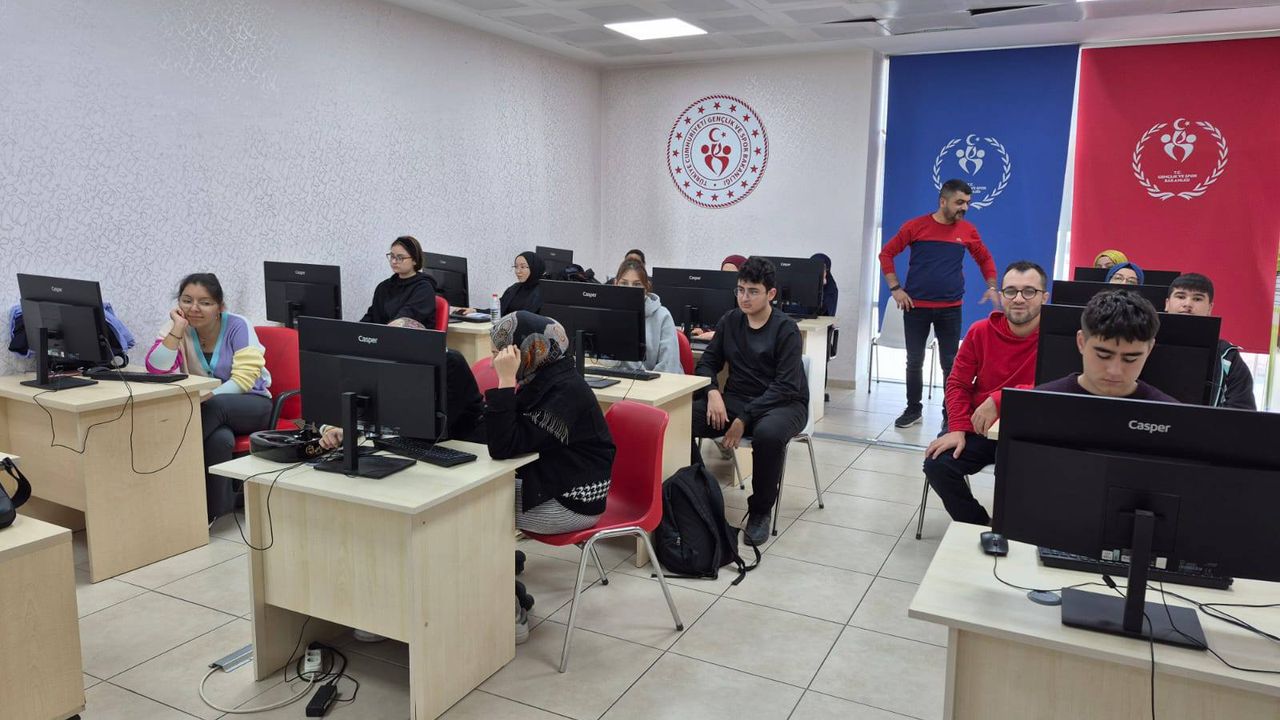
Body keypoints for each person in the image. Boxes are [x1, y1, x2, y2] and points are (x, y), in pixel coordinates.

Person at [486, 311, 616, 641]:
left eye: (500, 353)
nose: (494, 361)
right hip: (553, 481)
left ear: (528, 352)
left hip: (572, 501)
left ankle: (507, 608)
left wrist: (505, 382)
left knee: (472, 511)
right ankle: (491, 586)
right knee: (470, 502)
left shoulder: (565, 391)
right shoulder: (544, 377)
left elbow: (505, 446)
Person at [690, 257, 808, 546]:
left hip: (785, 404)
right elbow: (707, 363)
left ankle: (760, 512)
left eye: (753, 291)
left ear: (771, 294)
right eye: (740, 290)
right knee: (681, 419)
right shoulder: (730, 321)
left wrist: (744, 418)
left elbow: (785, 386)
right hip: (737, 399)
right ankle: (697, 493)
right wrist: (712, 392)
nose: (744, 297)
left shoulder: (786, 329)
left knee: (768, 435)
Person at [922, 261, 1047, 526]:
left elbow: (1054, 386)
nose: (1019, 299)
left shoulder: (1056, 338)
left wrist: (1001, 399)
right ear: (1001, 296)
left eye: (1029, 291)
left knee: (1015, 471)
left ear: (1044, 298)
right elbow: (957, 383)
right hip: (979, 427)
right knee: (937, 465)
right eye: (1011, 291)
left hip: (1025, 430)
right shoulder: (980, 331)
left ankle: (1012, 528)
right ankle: (981, 526)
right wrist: (956, 428)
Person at [145, 273, 272, 522]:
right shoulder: (177, 327)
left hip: (253, 405)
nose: (194, 308)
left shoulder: (238, 325)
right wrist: (177, 329)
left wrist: (205, 397)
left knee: (215, 406)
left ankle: (164, 463)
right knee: (220, 440)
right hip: (208, 411)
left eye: (205, 302)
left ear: (219, 307)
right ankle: (211, 513)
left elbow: (243, 381)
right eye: (187, 300)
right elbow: (157, 368)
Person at [879, 179, 999, 429]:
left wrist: (991, 286)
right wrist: (895, 289)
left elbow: (985, 258)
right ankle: (913, 409)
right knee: (914, 360)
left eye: (967, 203)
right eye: (959, 202)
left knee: (950, 364)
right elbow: (886, 254)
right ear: (943, 201)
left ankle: (950, 414)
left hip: (950, 309)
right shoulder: (915, 226)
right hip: (916, 308)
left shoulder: (968, 230)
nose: (964, 208)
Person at [1035, 289, 1175, 402]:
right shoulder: (1037, 403)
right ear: (1081, 342)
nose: (1114, 371)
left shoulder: (1172, 415)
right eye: (1103, 355)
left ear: (1149, 349)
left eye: (1130, 359)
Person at [1164, 273, 1256, 409]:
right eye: (1181, 297)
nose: (1187, 304)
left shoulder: (1227, 356)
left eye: (1197, 299)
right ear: (1167, 303)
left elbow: (1242, 409)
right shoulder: (1144, 344)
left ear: (1210, 308)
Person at [608, 259, 681, 374]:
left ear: (646, 287)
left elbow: (668, 367)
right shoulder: (608, 314)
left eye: (637, 284)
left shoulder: (663, 316)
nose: (630, 289)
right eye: (624, 283)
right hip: (617, 380)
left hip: (656, 382)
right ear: (615, 284)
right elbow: (602, 362)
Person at [360, 235, 437, 328]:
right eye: (392, 256)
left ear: (415, 260)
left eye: (400, 258)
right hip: (384, 335)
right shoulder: (383, 287)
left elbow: (405, 318)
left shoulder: (424, 288)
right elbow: (372, 316)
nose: (393, 261)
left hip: (409, 336)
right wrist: (355, 330)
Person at [691, 254, 748, 341]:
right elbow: (712, 325)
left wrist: (718, 335)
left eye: (731, 274)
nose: (726, 278)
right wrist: (703, 330)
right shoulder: (716, 298)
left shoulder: (749, 303)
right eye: (723, 273)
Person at [499, 251, 545, 316]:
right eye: (516, 267)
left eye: (522, 267)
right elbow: (497, 309)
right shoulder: (514, 288)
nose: (518, 271)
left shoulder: (543, 293)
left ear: (534, 268)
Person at [811, 252, 838, 317]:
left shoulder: (831, 288)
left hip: (821, 322)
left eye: (822, 268)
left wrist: (821, 287)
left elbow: (823, 312)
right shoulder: (803, 283)